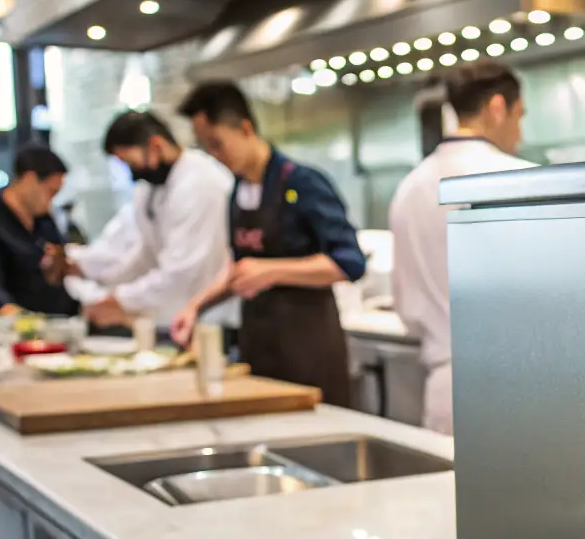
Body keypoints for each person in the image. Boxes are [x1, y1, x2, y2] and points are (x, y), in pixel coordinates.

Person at [171, 82, 365, 405]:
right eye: (206, 147)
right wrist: (196, 307)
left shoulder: (303, 183)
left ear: (245, 128)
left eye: (217, 144)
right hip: (259, 348)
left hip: (308, 351)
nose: (214, 156)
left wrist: (272, 271)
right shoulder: (238, 192)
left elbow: (349, 262)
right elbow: (242, 270)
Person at [388, 62, 533, 435]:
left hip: (445, 389)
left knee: (448, 493)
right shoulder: (523, 180)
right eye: (520, 116)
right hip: (517, 383)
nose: (520, 133)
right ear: (498, 108)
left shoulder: (410, 187)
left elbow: (405, 305)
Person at [69, 110, 235, 336]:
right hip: (170, 318)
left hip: (211, 320)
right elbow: (146, 253)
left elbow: (181, 271)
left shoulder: (201, 183)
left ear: (156, 145)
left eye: (132, 163)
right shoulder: (150, 187)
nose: (133, 174)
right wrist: (108, 288)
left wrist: (120, 299)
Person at [0, 143, 79, 316]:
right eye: (50, 193)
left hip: (58, 323)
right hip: (13, 331)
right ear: (29, 179)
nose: (51, 202)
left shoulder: (45, 222)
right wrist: (20, 317)